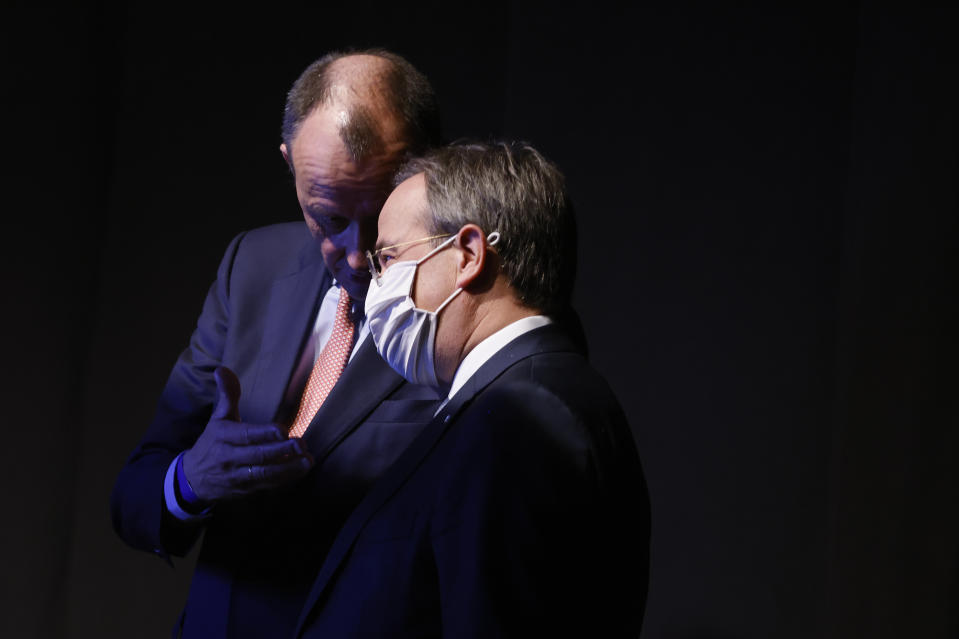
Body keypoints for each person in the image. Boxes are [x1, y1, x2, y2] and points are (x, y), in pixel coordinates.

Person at [110, 49, 445, 638]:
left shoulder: (463, 303)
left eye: (382, 214)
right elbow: (135, 496)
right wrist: (192, 479)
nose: (359, 256)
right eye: (329, 218)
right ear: (291, 165)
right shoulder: (252, 266)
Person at [294, 141, 650, 638]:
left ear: (467, 255)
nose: (371, 283)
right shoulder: (518, 398)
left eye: (387, 258)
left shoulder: (520, 417)